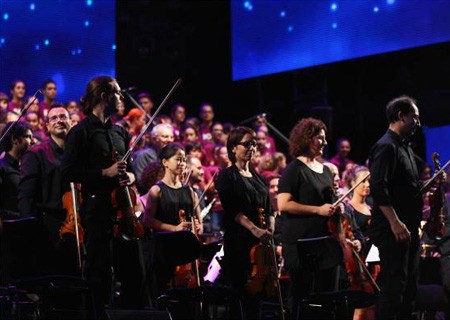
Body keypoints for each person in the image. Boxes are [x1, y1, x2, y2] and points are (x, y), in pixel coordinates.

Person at [61, 76, 146, 317]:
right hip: (97, 211)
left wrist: (131, 177)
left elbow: (129, 169)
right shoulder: (80, 132)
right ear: (103, 96)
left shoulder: (121, 132)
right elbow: (67, 171)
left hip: (124, 213)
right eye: (118, 93)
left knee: (134, 274)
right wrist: (103, 173)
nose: (121, 98)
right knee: (99, 275)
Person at [277, 118, 345, 319]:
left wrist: (337, 213)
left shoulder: (325, 170)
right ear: (308, 139)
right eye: (320, 138)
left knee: (327, 299)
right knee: (303, 299)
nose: (325, 142)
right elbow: (283, 205)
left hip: (325, 243)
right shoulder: (294, 169)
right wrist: (318, 210)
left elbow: (330, 205)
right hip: (302, 244)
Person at [368, 95, 422, 320]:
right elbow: (379, 188)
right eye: (414, 118)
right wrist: (395, 222)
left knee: (409, 286)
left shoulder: (405, 147)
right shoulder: (386, 146)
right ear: (401, 116)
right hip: (393, 229)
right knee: (394, 287)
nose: (417, 123)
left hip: (407, 227)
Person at [215, 126, 272, 319]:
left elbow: (269, 208)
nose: (252, 147)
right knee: (242, 292)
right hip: (240, 241)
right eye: (247, 144)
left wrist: (269, 229)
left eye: (254, 144)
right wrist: (254, 229)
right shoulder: (226, 176)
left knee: (259, 294)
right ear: (233, 148)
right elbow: (232, 210)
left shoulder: (259, 177)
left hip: (261, 242)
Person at [144, 143, 203, 301]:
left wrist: (198, 226)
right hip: (164, 250)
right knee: (165, 296)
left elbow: (199, 222)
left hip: (185, 251)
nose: (182, 163)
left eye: (184, 160)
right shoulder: (156, 190)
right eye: (178, 159)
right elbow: (147, 220)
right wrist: (174, 228)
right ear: (165, 162)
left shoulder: (190, 191)